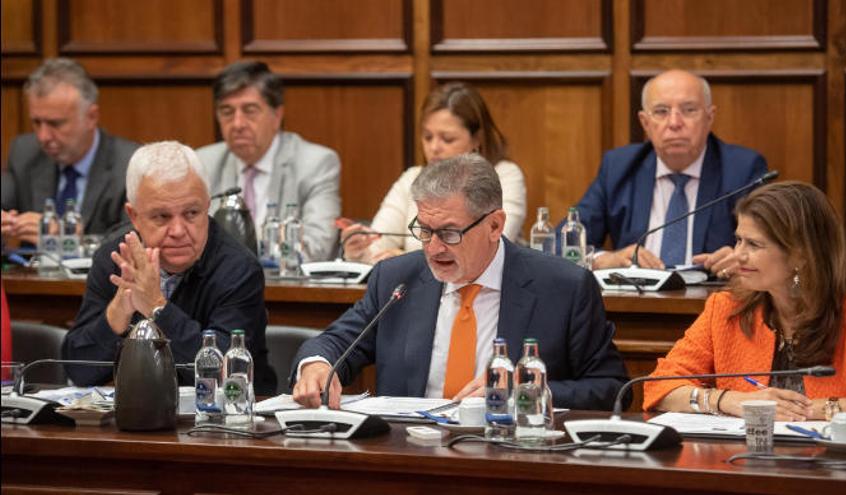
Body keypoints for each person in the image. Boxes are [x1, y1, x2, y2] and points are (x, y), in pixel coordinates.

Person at [293, 153, 628, 410]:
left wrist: (527, 390)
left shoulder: (564, 287)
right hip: (409, 459)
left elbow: (613, 389)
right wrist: (317, 367)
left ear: (495, 226)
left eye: (449, 233)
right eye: (424, 231)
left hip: (514, 459)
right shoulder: (397, 279)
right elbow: (333, 343)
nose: (433, 248)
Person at [643, 182, 846, 424]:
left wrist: (807, 410)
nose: (738, 255)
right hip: (739, 459)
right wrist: (733, 401)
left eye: (754, 244)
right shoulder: (726, 308)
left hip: (835, 459)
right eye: (738, 241)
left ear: (802, 254)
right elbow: (659, 386)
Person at [62, 141, 276, 395]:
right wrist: (118, 312)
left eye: (192, 213)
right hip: (135, 417)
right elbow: (78, 370)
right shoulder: (115, 260)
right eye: (161, 216)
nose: (178, 231)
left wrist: (156, 306)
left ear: (208, 205)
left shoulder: (239, 269)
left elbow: (223, 374)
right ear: (134, 216)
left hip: (226, 422)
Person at [567, 70, 767, 277]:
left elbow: (774, 247)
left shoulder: (742, 169)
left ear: (709, 118)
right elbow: (563, 240)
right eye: (661, 111)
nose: (674, 123)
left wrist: (741, 257)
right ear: (645, 123)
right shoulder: (619, 167)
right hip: (633, 300)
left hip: (714, 298)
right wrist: (605, 259)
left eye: (689, 110)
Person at [340, 82, 526, 265]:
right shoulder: (412, 178)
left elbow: (490, 245)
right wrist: (358, 251)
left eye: (447, 139)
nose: (434, 147)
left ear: (477, 139)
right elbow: (377, 246)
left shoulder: (504, 176)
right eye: (427, 137)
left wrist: (403, 260)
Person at [197, 60, 341, 262]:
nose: (237, 124)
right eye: (227, 112)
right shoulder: (202, 162)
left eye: (250, 110)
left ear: (277, 116)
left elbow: (318, 246)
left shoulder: (315, 163)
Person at [1, 58, 138, 245]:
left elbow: (135, 240)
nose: (43, 136)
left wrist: (72, 238)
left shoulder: (130, 165)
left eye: (55, 124)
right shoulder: (24, 153)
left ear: (91, 117)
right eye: (36, 122)